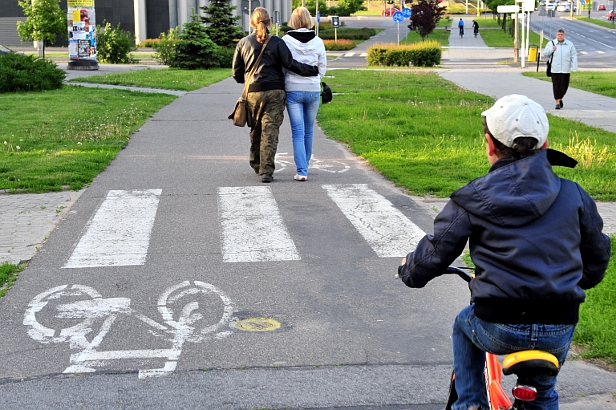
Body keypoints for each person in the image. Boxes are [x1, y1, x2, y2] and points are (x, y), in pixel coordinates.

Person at [397, 95, 611, 410]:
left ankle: (470, 403)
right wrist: (581, 281)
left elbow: (437, 250)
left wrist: (410, 271)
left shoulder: (473, 197)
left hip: (499, 323)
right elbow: (597, 254)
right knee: (544, 392)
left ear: (489, 144)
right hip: (559, 323)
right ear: (546, 143)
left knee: (462, 324)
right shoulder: (573, 194)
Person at [232, 7, 319, 183]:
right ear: (269, 22)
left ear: (252, 22)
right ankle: (266, 172)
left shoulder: (243, 43)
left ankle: (257, 163)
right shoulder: (278, 42)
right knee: (270, 130)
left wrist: (248, 79)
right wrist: (311, 70)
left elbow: (236, 72)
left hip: (253, 92)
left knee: (256, 129)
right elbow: (290, 64)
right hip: (276, 92)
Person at [282, 7, 327, 182]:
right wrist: (314, 79)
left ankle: (302, 171)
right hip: (313, 89)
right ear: (309, 20)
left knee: (297, 131)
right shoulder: (318, 41)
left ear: (293, 21)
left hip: (293, 89)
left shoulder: (285, 40)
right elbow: (322, 67)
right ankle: (305, 165)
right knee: (309, 130)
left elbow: (283, 65)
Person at [543, 28, 577, 110]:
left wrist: (574, 67)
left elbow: (574, 55)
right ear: (556, 35)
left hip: (566, 69)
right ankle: (557, 103)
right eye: (558, 35)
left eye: (561, 35)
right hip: (555, 69)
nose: (560, 36)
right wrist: (552, 49)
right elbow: (545, 53)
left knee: (564, 86)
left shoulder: (569, 44)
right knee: (556, 86)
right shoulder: (551, 43)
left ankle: (560, 98)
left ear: (564, 35)